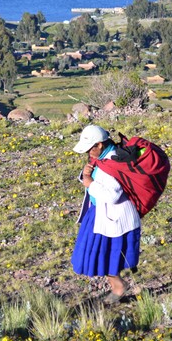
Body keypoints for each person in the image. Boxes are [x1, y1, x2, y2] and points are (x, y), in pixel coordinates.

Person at [70, 124, 141, 304]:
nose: (88, 153)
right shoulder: (103, 158)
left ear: (99, 144)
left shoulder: (113, 162)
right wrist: (87, 176)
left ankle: (118, 288)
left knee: (106, 255)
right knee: (102, 255)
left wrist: (89, 182)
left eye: (89, 149)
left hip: (112, 218)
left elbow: (112, 195)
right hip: (100, 214)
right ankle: (117, 287)